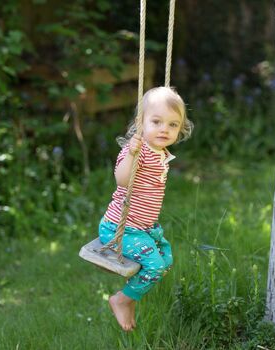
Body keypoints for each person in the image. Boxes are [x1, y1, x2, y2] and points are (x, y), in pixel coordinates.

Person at [98, 86, 193, 331]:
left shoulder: (160, 152)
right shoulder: (137, 151)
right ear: (141, 123)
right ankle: (123, 299)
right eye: (157, 121)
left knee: (167, 259)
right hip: (120, 230)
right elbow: (121, 179)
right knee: (155, 266)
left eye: (173, 124)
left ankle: (131, 293)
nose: (164, 129)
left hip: (145, 228)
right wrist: (131, 153)